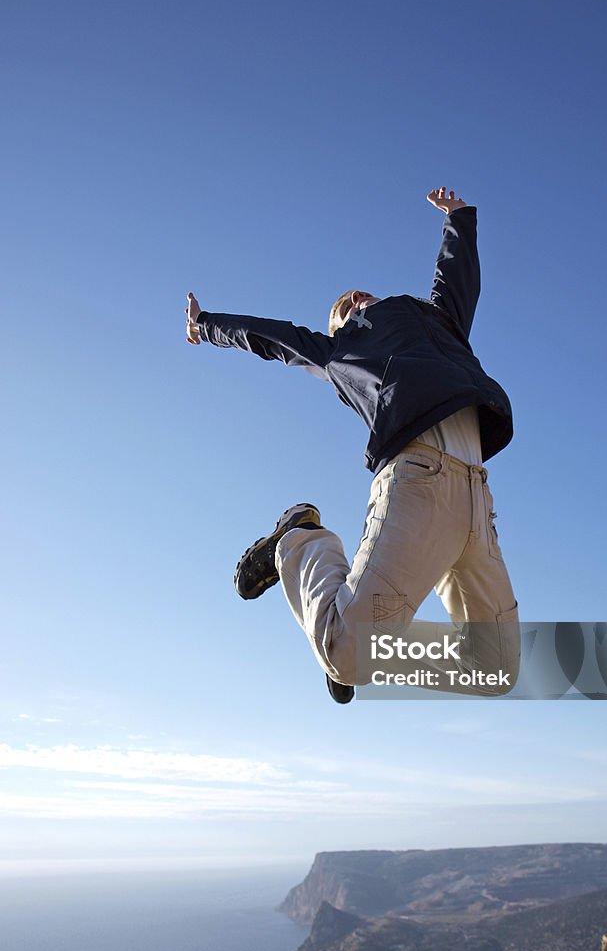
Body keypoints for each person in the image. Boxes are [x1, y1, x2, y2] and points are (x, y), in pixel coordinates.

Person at [185, 186, 519, 704]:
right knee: (348, 654)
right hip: (419, 484)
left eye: (362, 294)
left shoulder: (436, 321)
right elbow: (273, 337)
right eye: (345, 307)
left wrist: (459, 220)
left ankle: (349, 624)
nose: (356, 300)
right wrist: (207, 326)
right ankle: (300, 541)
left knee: (494, 669)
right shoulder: (340, 353)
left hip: (478, 499)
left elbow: (455, 282)